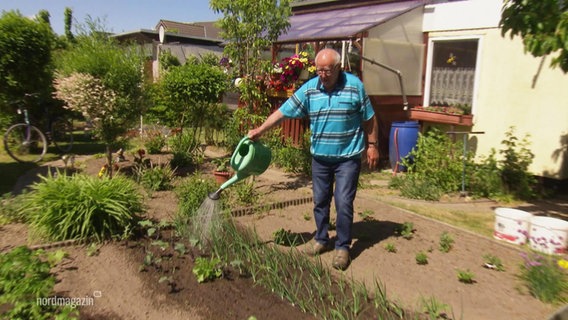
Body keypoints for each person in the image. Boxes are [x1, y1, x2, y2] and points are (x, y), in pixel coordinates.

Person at [248, 48, 379, 270]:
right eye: (319, 70)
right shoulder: (310, 90)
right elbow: (283, 112)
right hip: (320, 158)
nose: (322, 75)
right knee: (320, 201)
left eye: (327, 70)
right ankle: (321, 239)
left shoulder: (354, 86)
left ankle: (343, 247)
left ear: (339, 68)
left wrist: (373, 146)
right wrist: (260, 130)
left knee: (343, 201)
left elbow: (370, 118)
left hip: (347, 157)